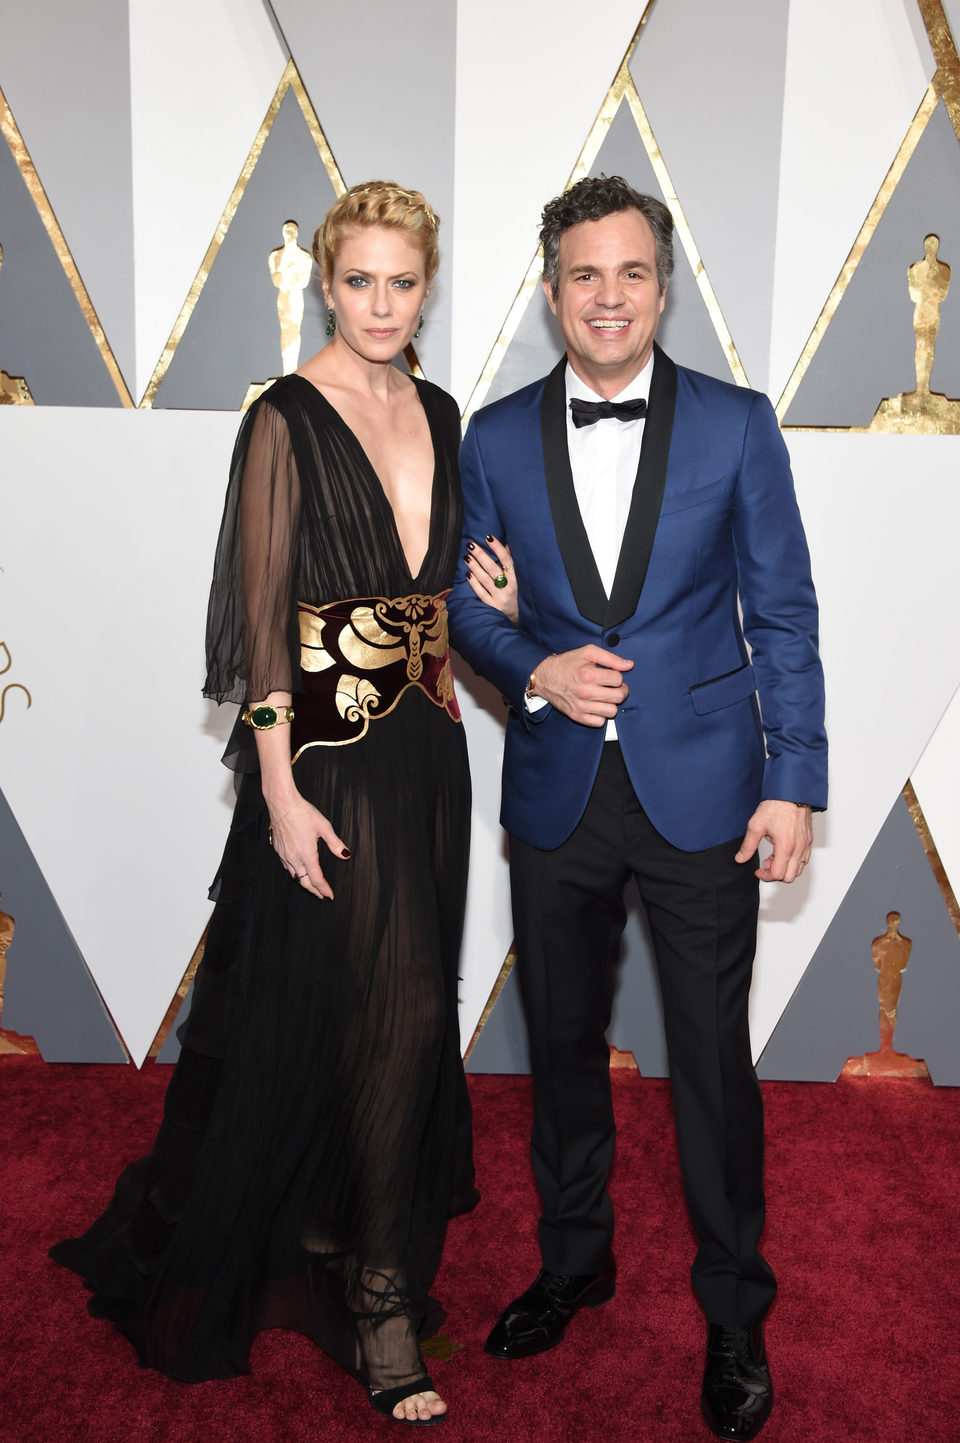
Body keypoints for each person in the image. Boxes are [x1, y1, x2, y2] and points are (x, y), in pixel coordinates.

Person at [51, 181, 478, 1427]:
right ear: (327, 284)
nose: (382, 305)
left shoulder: (441, 413)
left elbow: (435, 585)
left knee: (404, 1015)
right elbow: (259, 618)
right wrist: (281, 794)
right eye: (360, 282)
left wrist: (478, 585)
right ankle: (370, 1287)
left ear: (426, 287)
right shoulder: (285, 418)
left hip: (428, 755)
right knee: (344, 1010)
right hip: (326, 765)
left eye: (404, 283)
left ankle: (367, 1249)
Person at [448, 175, 827, 1441]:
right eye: (582, 275)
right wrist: (530, 666)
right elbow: (461, 606)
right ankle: (574, 1263)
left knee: (712, 1066)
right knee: (559, 1048)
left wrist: (794, 781)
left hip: (707, 789)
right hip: (556, 786)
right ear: (550, 290)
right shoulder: (493, 437)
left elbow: (782, 614)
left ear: (662, 285)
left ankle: (732, 1309)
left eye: (631, 273)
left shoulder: (735, 425)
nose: (607, 297)